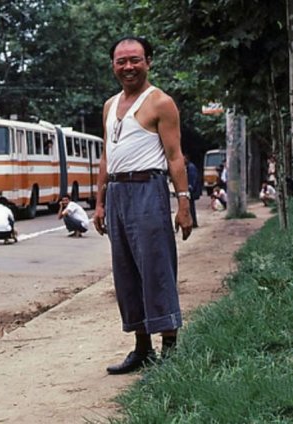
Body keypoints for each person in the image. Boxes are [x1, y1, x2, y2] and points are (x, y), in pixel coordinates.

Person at [93, 36, 193, 375]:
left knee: (156, 267)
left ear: (148, 61)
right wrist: (100, 202)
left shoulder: (160, 102)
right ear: (113, 66)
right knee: (125, 272)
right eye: (121, 61)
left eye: (135, 60)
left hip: (148, 189)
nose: (128, 67)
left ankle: (170, 348)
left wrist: (183, 203)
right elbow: (106, 157)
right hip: (118, 194)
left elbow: (175, 157)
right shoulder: (109, 105)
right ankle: (141, 347)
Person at [185, 155, 200, 228]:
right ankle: (192, 222)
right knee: (190, 207)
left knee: (191, 207)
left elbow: (193, 178)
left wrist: (190, 187)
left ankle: (193, 222)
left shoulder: (191, 167)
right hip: (191, 189)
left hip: (191, 190)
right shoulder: (189, 166)